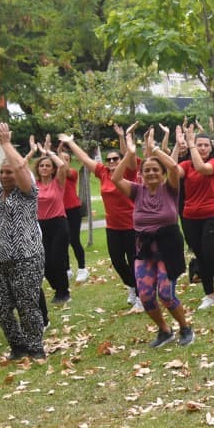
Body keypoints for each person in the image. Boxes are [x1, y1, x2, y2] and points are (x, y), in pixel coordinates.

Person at [112, 126, 195, 349]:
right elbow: (115, 177)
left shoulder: (170, 188)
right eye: (146, 171)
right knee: (147, 295)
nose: (150, 174)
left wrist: (155, 150)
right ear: (140, 175)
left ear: (161, 173)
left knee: (166, 294)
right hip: (144, 248)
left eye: (155, 171)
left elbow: (175, 167)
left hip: (168, 246)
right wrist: (130, 154)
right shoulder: (136, 191)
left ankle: (185, 327)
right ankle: (164, 331)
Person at [0, 123, 46, 360]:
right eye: (2, 173)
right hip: (0, 260)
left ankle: (35, 348)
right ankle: (17, 345)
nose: (5, 176)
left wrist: (6, 144)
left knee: (27, 305)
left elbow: (23, 170)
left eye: (9, 172)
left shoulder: (27, 193)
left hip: (27, 257)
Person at [61, 130, 139, 308]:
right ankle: (133, 286)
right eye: (109, 159)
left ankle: (142, 296)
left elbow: (132, 159)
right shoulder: (103, 172)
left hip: (131, 225)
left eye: (115, 159)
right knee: (118, 262)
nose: (111, 162)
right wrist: (71, 143)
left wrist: (128, 146)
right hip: (112, 227)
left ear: (121, 161)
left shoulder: (128, 173)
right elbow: (85, 160)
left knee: (135, 261)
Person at [178, 127, 214, 313]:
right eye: (199, 145)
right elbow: (172, 170)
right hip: (190, 217)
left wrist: (192, 144)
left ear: (211, 148)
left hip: (213, 215)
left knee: (211, 255)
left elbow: (202, 169)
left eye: (205, 145)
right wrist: (176, 147)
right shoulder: (186, 165)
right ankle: (209, 294)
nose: (202, 148)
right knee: (201, 257)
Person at [27, 136, 71, 306]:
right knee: (44, 262)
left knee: (57, 258)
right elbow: (20, 168)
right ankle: (58, 287)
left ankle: (63, 292)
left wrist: (48, 152)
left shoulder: (58, 182)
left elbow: (62, 165)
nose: (45, 168)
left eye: (47, 166)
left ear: (52, 169)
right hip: (40, 226)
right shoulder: (33, 184)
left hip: (59, 223)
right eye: (42, 165)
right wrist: (32, 152)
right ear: (38, 169)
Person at [60, 149, 88, 283]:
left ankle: (82, 268)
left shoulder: (72, 173)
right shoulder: (55, 176)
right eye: (61, 158)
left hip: (73, 210)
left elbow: (64, 169)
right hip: (59, 211)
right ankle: (66, 269)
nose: (63, 161)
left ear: (69, 162)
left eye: (66, 159)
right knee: (62, 241)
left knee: (74, 240)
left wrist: (59, 155)